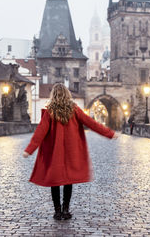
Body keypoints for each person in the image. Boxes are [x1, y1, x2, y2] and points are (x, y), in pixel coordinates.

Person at [23, 83, 118, 220]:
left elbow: (40, 133)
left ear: (53, 96)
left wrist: (29, 150)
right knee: (68, 181)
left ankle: (57, 211)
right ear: (68, 95)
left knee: (54, 182)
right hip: (71, 152)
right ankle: (66, 210)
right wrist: (109, 133)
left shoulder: (50, 112)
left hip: (54, 153)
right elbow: (92, 123)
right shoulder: (74, 110)